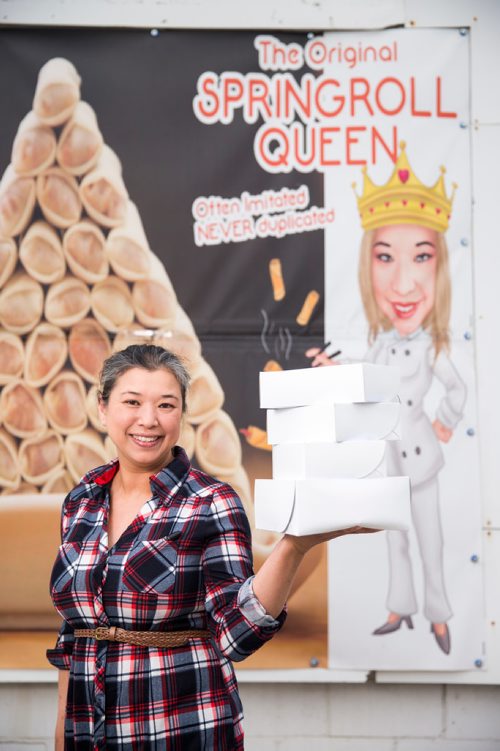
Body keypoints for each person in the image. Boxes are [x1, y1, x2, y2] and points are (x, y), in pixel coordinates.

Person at [48, 343, 375, 750]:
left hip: (182, 726)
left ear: (182, 414)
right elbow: (74, 633)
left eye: (166, 405)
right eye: (131, 402)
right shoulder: (82, 500)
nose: (147, 420)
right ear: (103, 408)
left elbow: (237, 635)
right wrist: (61, 733)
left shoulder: (212, 501)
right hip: (89, 732)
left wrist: (293, 547)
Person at [308, 142, 466, 655]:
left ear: (439, 268)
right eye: (385, 257)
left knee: (431, 539)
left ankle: (440, 616)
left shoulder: (432, 344)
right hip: (386, 455)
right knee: (393, 537)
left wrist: (444, 422)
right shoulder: (378, 341)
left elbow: (456, 387)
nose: (403, 281)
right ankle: (400, 608)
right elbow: (362, 372)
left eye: (421, 256)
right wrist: (332, 369)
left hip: (421, 454)